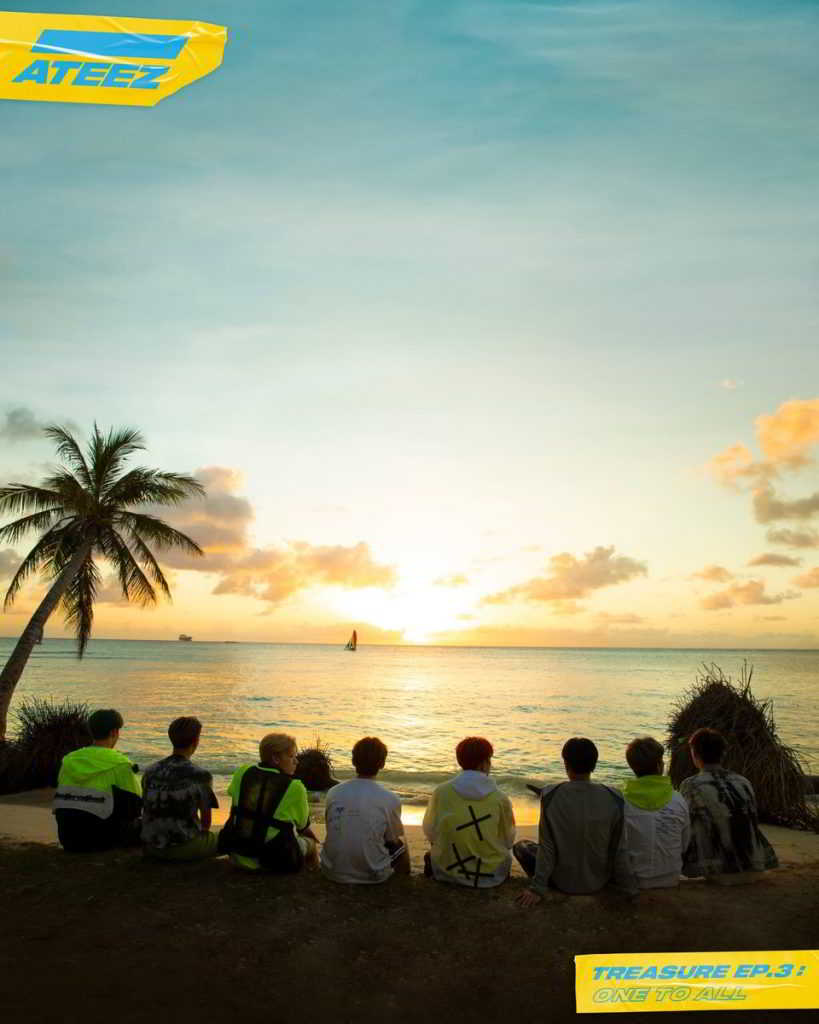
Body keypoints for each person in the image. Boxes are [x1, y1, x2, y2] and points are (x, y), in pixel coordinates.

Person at [515, 737, 636, 906]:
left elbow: (547, 847)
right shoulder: (615, 797)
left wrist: (538, 888)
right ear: (594, 765)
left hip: (561, 882)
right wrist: (630, 888)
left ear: (566, 764)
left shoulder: (549, 795)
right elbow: (619, 849)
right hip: (598, 881)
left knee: (521, 846)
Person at [680, 727, 778, 883]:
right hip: (755, 865)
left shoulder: (690, 785)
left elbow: (686, 825)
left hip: (719, 870)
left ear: (695, 754)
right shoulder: (743, 781)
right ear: (723, 754)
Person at [422, 736, 516, 889]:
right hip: (490, 874)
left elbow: (430, 832)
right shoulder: (500, 798)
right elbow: (508, 840)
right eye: (489, 760)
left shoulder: (441, 792)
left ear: (460, 761)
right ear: (483, 763)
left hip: (448, 872)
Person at [221, 733, 320, 871]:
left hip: (237, 854)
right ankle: (315, 872)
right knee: (310, 844)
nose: (296, 762)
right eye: (291, 756)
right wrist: (315, 841)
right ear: (276, 759)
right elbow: (303, 827)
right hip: (271, 861)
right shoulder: (294, 787)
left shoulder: (242, 772)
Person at [321, 736, 409, 883]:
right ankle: (404, 881)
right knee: (402, 842)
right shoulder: (390, 798)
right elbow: (393, 838)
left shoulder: (334, 792)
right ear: (382, 764)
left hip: (332, 871)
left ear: (353, 761)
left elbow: (331, 827)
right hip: (373, 875)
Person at [53, 708, 142, 852]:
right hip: (102, 841)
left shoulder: (69, 760)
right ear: (114, 732)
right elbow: (135, 807)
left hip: (68, 838)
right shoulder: (121, 764)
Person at [141, 716, 220, 862]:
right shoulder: (201, 775)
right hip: (184, 847)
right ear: (196, 741)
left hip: (152, 847)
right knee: (226, 838)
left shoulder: (150, 771)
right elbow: (206, 823)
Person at [622, 736, 690, 889]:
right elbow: (684, 844)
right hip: (671, 877)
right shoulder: (678, 799)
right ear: (660, 766)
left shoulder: (621, 801)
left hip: (634, 879)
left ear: (632, 767)